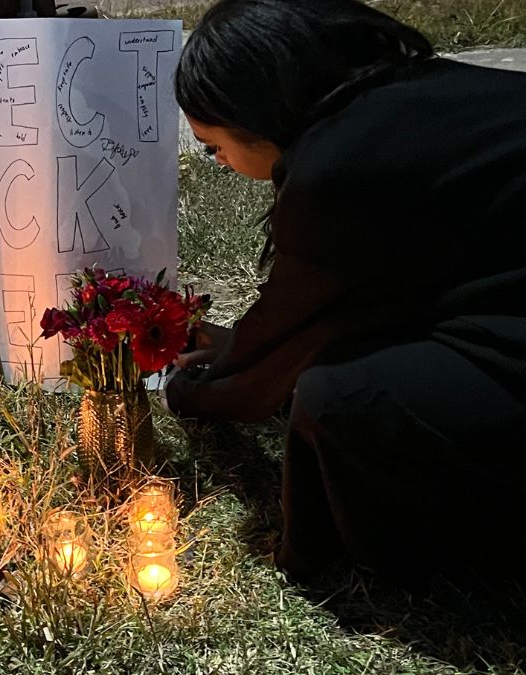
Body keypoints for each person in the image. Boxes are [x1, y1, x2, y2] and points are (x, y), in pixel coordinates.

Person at [163, 0, 526, 589]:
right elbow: (356, 304)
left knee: (339, 393)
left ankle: (418, 560)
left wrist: (191, 392)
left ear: (255, 113)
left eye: (214, 147)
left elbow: (270, 362)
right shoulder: (414, 94)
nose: (221, 164)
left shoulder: (338, 168)